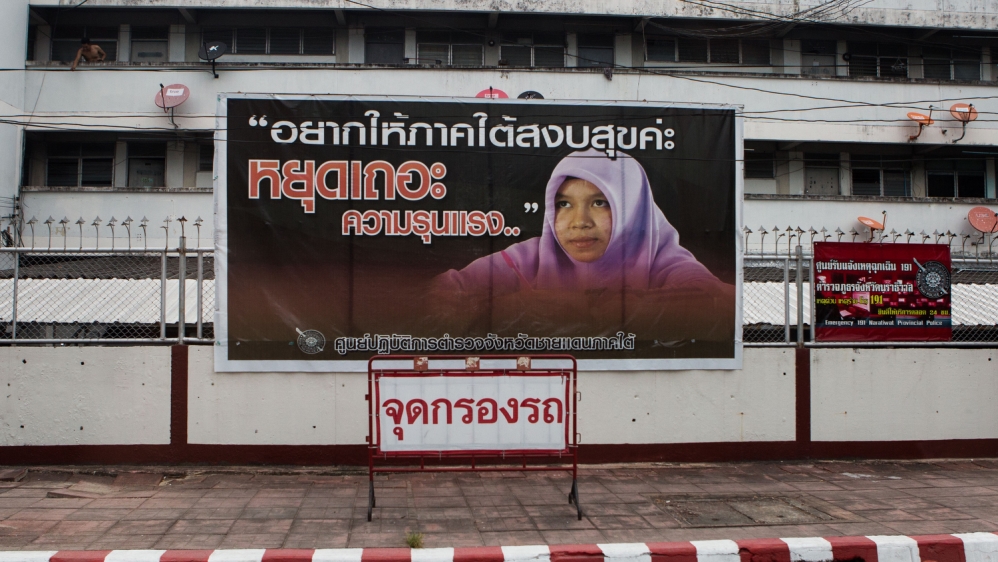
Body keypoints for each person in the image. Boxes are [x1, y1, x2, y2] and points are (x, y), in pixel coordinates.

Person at [428, 148, 735, 341]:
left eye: (600, 202)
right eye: (563, 204)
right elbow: (434, 299)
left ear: (633, 209)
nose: (580, 222)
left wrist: (555, 311)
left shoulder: (663, 259)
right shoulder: (528, 258)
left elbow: (718, 306)